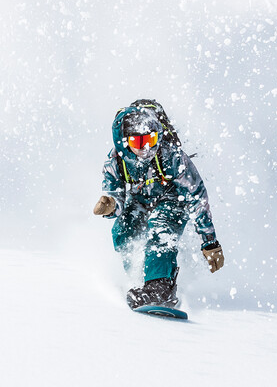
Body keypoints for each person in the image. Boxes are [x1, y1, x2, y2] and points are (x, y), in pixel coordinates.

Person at [93, 99, 224, 309]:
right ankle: (139, 277)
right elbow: (115, 195)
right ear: (124, 142)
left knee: (161, 228)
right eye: (138, 143)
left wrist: (210, 242)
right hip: (141, 201)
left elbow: (196, 196)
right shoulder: (116, 161)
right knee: (123, 231)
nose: (146, 148)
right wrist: (110, 205)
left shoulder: (171, 156)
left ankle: (160, 287)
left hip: (173, 199)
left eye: (151, 140)